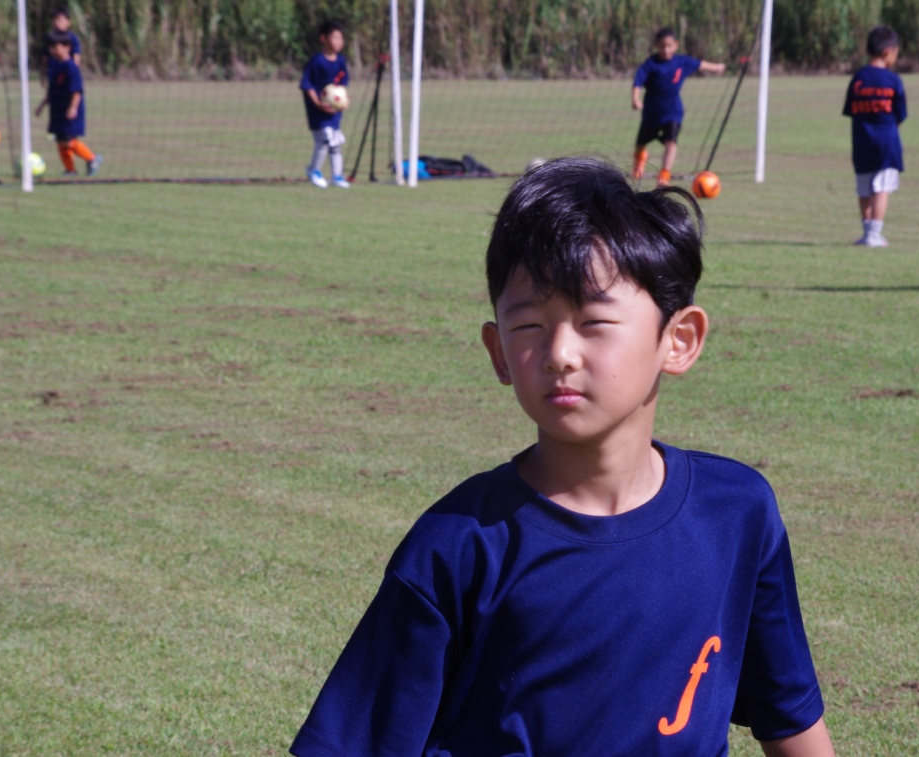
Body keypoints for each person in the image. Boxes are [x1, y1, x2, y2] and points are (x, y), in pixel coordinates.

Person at [290, 157, 836, 757]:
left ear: (678, 340)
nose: (559, 353)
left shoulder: (736, 513)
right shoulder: (458, 545)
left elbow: (789, 716)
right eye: (529, 326)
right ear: (498, 351)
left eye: (594, 320)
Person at [632, 28, 725, 187]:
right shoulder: (650, 64)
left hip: (673, 112)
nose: (666, 49)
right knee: (640, 145)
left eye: (669, 46)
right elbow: (637, 82)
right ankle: (640, 160)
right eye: (662, 46)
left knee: (671, 143)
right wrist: (635, 99)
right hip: (651, 114)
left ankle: (664, 175)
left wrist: (717, 67)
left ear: (676, 45)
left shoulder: (682, 62)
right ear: (656, 45)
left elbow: (700, 64)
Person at [842, 26, 907, 248]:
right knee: (882, 188)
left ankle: (867, 232)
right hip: (886, 143)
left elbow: (852, 111)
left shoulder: (858, 79)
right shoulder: (892, 80)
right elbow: (900, 116)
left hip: (861, 141)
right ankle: (875, 234)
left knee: (864, 189)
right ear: (888, 51)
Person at [35, 31, 101, 177]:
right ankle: (70, 169)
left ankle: (92, 158)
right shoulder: (54, 66)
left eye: (56, 46)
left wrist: (73, 107)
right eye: (50, 47)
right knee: (60, 141)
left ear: (67, 47)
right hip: (57, 109)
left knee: (68, 141)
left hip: (69, 109)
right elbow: (52, 91)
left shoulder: (71, 67)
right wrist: (42, 106)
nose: (52, 50)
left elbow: (77, 91)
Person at [299, 19, 350, 189]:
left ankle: (337, 176)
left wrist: (344, 100)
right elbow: (307, 85)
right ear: (323, 39)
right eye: (335, 37)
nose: (339, 41)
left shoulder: (340, 61)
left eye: (341, 38)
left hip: (334, 111)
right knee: (325, 139)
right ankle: (314, 171)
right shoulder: (317, 61)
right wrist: (318, 103)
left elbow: (342, 86)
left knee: (335, 143)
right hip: (318, 111)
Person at [40, 6, 82, 81]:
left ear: (68, 22)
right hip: (53, 73)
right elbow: (45, 58)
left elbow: (76, 58)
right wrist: (43, 74)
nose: (57, 23)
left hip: (67, 73)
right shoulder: (49, 38)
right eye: (55, 20)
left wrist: (75, 75)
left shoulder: (72, 38)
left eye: (60, 20)